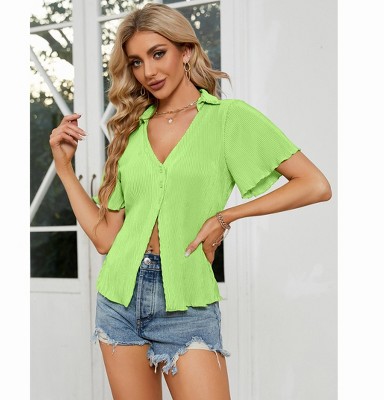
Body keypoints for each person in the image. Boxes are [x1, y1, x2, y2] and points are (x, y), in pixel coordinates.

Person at [49, 3, 332, 399]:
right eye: (136, 62)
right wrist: (64, 168)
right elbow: (104, 238)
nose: (148, 71)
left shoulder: (228, 119)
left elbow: (315, 184)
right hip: (119, 299)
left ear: (185, 51)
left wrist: (225, 216)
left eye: (158, 53)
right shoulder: (129, 132)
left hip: (186, 300)